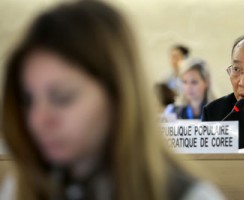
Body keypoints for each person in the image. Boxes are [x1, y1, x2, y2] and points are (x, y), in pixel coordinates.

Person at [1, 1, 225, 200]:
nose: (38, 120)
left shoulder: (190, 196)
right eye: (28, 100)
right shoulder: (21, 189)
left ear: (118, 95)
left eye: (62, 98)